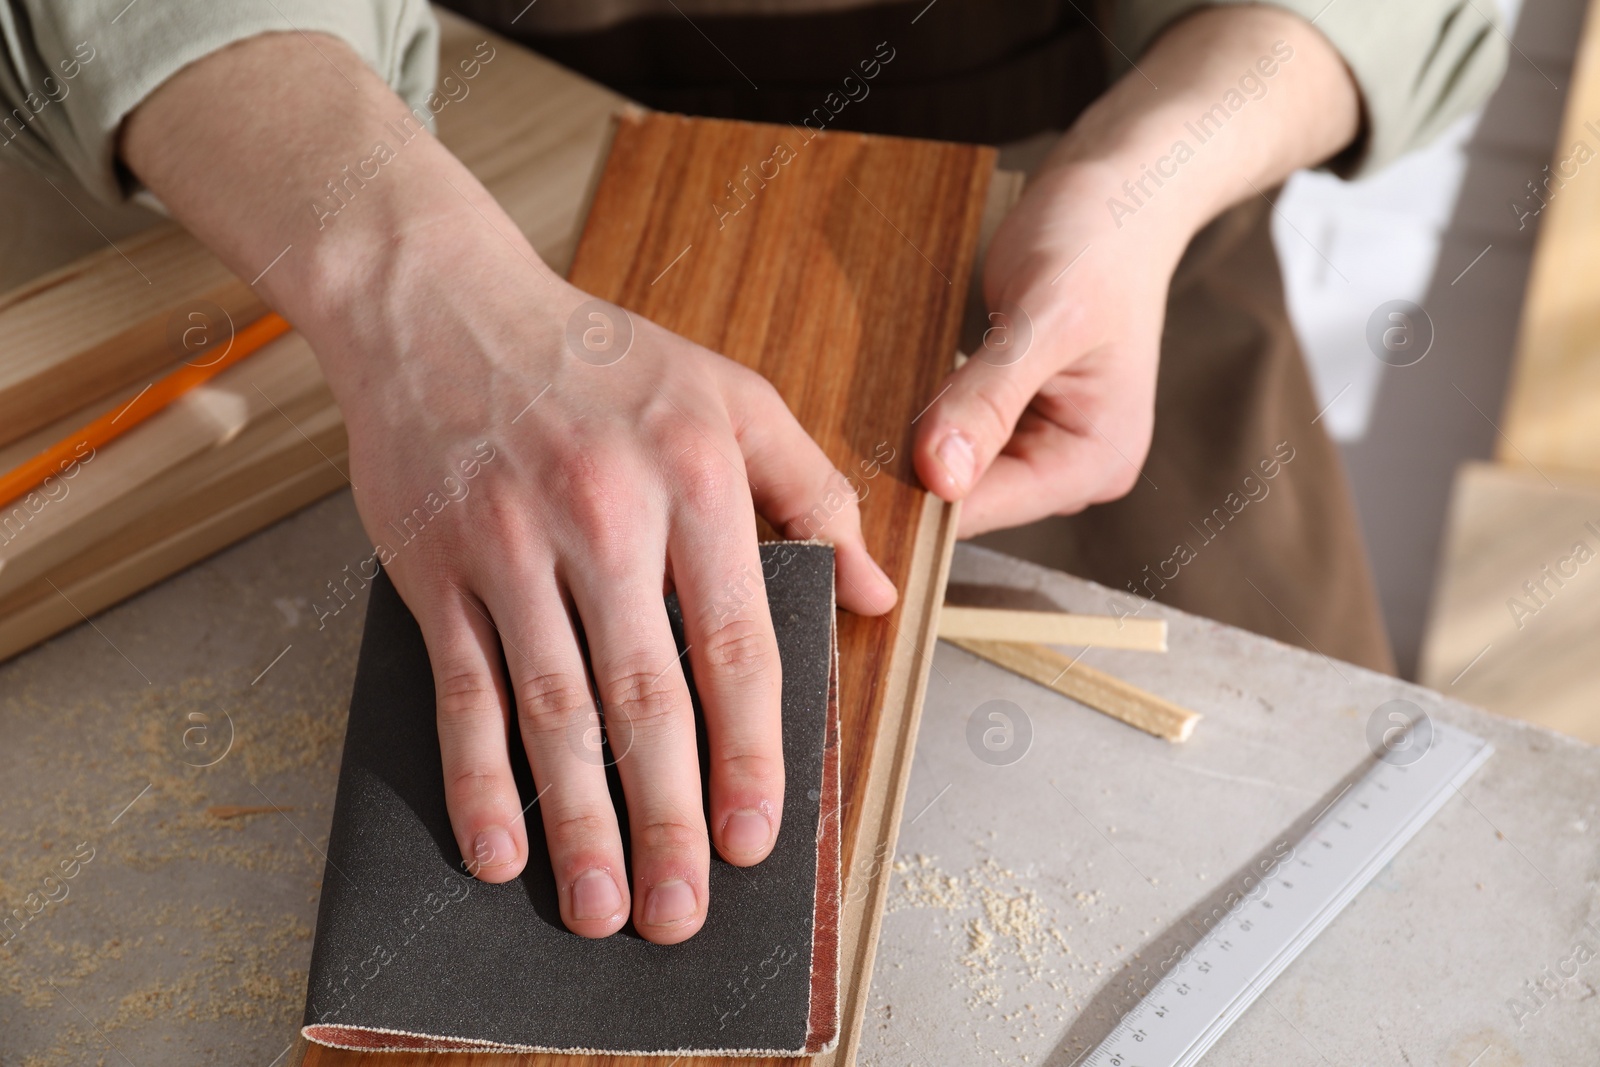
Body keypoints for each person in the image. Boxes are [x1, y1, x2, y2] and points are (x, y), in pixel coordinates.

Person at [0, 0, 1504, 945]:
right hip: (422, 137)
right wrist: (411, 281)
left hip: (1082, 211)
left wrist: (1150, 175)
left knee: (1325, 871)